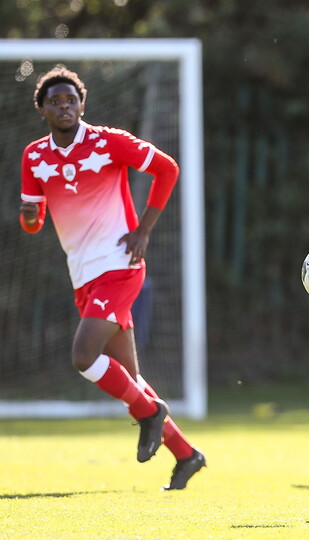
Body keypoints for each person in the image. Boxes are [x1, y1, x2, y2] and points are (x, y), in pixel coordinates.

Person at [19, 67, 206, 490]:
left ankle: (151, 414)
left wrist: (144, 230)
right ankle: (187, 454)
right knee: (129, 382)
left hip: (120, 265)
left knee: (84, 357)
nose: (64, 106)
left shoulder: (108, 141)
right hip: (82, 274)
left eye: (71, 100)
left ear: (82, 104)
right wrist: (30, 218)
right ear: (43, 109)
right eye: (55, 101)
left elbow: (167, 169)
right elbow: (33, 219)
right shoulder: (34, 156)